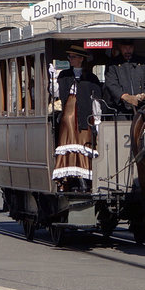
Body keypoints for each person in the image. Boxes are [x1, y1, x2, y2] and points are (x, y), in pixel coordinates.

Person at [53, 44, 102, 192]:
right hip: (69, 111)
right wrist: (52, 80)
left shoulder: (91, 77)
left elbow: (96, 99)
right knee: (68, 138)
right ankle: (69, 177)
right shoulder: (64, 75)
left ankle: (84, 176)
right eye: (69, 57)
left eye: (73, 57)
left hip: (85, 113)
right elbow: (57, 93)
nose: (70, 59)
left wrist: (97, 118)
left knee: (84, 141)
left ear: (81, 59)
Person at [104, 39, 145, 118]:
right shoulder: (113, 64)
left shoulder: (143, 62)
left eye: (130, 47)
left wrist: (143, 95)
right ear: (120, 48)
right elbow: (111, 84)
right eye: (125, 48)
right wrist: (125, 97)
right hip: (120, 109)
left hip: (142, 107)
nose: (128, 50)